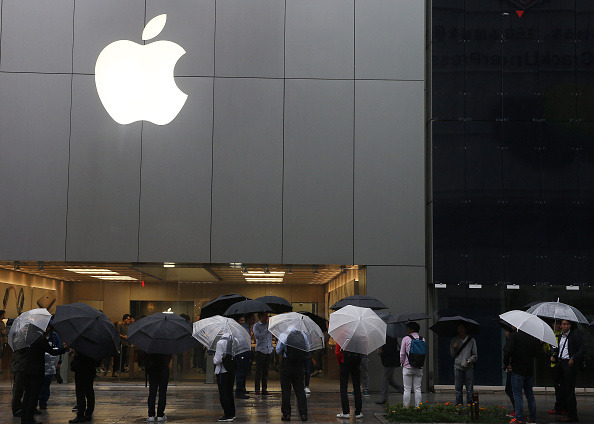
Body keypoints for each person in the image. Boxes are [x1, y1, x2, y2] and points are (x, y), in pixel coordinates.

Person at [22, 328, 67, 424]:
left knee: (27, 394)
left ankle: (24, 418)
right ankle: (29, 419)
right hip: (36, 370)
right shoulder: (40, 339)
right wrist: (65, 349)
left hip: (27, 369)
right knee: (33, 395)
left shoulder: (29, 339)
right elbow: (52, 351)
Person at [503, 328, 541, 424]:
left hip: (518, 370)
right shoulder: (532, 338)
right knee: (529, 394)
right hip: (529, 370)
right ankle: (532, 417)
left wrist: (507, 363)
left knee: (517, 395)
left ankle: (518, 418)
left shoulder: (514, 336)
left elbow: (508, 351)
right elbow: (537, 353)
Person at [552, 320, 585, 423]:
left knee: (569, 390)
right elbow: (559, 349)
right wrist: (553, 355)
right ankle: (566, 412)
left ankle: (572, 414)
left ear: (570, 326)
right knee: (561, 389)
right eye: (563, 324)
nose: (565, 326)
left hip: (569, 364)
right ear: (561, 326)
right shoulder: (559, 336)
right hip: (561, 363)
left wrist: (573, 358)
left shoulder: (574, 336)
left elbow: (583, 349)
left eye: (567, 324)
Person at [277, 328, 308, 421]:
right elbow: (307, 348)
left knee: (286, 390)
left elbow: (278, 350)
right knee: (300, 390)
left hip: (287, 364)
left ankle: (286, 414)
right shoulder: (303, 334)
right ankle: (303, 414)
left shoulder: (284, 334)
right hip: (298, 365)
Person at [450, 323, 477, 406]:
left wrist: (469, 361)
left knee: (469, 390)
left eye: (461, 328)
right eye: (458, 328)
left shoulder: (471, 341)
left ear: (465, 329)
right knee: (458, 389)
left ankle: (470, 406)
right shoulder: (454, 340)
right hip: (458, 367)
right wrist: (454, 348)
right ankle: (458, 406)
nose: (460, 330)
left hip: (468, 367)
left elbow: (475, 355)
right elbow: (452, 354)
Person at [69, 351, 100, 423]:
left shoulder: (81, 347)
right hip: (90, 371)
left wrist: (76, 354)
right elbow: (97, 362)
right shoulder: (96, 347)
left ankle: (80, 415)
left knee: (80, 394)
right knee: (89, 393)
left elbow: (77, 361)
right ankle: (88, 414)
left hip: (81, 371)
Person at [38, 324, 62, 410]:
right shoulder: (39, 336)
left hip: (51, 364)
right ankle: (39, 400)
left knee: (46, 384)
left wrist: (59, 362)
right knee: (39, 384)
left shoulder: (55, 336)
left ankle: (43, 401)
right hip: (40, 364)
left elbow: (58, 349)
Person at [335, 343, 363, 419]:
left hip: (344, 362)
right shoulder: (360, 336)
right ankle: (358, 412)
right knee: (357, 386)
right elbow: (363, 350)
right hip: (356, 363)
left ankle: (345, 411)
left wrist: (340, 361)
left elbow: (337, 351)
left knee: (343, 387)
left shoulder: (342, 335)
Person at [400, 321, 424, 408]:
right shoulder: (422, 339)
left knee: (407, 389)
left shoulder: (406, 339)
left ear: (411, 329)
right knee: (417, 388)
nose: (407, 330)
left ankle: (406, 408)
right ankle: (418, 407)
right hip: (419, 367)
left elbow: (402, 353)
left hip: (407, 367)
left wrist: (402, 362)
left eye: (408, 328)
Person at [375, 335, 403, 405]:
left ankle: (384, 398)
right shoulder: (392, 336)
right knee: (389, 379)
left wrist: (380, 349)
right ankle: (403, 390)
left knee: (385, 378)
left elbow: (388, 349)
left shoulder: (388, 336)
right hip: (390, 360)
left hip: (389, 361)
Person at [214, 333, 236, 422]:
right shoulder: (235, 341)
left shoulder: (220, 343)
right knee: (230, 392)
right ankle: (232, 413)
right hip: (231, 370)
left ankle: (227, 414)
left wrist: (214, 358)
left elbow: (218, 360)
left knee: (223, 393)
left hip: (222, 371)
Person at [145, 353, 172, 422]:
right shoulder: (166, 345)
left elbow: (146, 357)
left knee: (152, 392)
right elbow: (169, 357)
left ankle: (151, 415)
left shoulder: (151, 345)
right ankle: (160, 414)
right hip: (164, 369)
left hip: (153, 369)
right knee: (162, 392)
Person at [545, 321, 564, 416]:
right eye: (557, 324)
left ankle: (560, 408)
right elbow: (546, 349)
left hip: (560, 365)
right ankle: (559, 407)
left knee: (560, 388)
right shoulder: (549, 334)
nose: (559, 326)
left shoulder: (562, 336)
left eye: (560, 324)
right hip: (553, 366)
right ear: (552, 324)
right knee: (558, 388)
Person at [253, 312, 273, 395]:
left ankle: (264, 388)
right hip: (261, 350)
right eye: (265, 315)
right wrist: (267, 329)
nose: (266, 317)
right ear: (260, 316)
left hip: (269, 350)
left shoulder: (269, 325)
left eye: (267, 316)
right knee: (259, 371)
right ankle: (257, 389)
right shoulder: (256, 326)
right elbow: (259, 337)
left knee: (266, 371)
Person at [234, 316, 250, 399]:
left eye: (244, 320)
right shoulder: (236, 329)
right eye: (241, 320)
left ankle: (242, 389)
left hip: (245, 350)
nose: (243, 322)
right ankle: (239, 391)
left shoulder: (245, 328)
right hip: (240, 352)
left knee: (243, 371)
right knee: (240, 372)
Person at [503, 329, 516, 419]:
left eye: (507, 332)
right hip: (509, 368)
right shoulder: (508, 343)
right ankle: (516, 409)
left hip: (513, 369)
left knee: (510, 389)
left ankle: (517, 409)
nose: (505, 333)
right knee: (509, 389)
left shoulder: (513, 343)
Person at [11, 346, 27, 417]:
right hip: (20, 367)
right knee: (18, 389)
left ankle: (21, 407)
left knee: (23, 388)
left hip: (22, 366)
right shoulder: (19, 339)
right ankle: (16, 409)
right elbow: (20, 350)